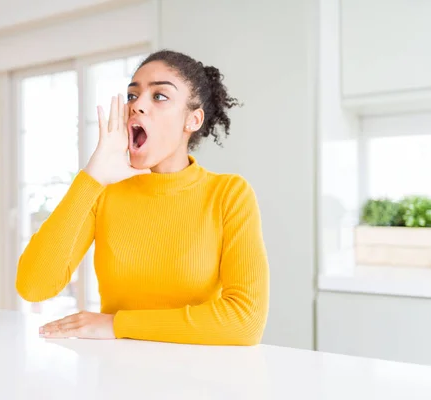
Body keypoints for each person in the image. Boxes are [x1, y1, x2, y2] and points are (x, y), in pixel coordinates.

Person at [15, 50, 270, 345]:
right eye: (132, 96)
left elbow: (245, 321)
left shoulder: (229, 194)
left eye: (159, 96)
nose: (137, 106)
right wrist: (92, 176)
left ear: (193, 119)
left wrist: (116, 324)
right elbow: (33, 286)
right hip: (117, 376)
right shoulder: (105, 192)